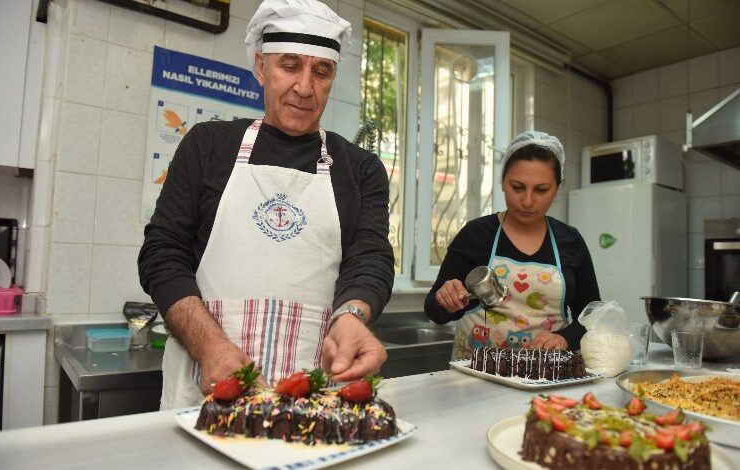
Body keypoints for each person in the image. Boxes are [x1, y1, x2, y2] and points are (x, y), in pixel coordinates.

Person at [138, 0, 394, 409]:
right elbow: (162, 254)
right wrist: (209, 345)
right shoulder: (207, 145)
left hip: (314, 394)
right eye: (290, 66)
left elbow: (371, 259)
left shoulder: (361, 169)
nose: (305, 87)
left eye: (321, 71)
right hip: (207, 386)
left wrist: (353, 315)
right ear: (261, 67)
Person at [424, 131, 600, 359]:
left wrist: (564, 337)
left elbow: (593, 315)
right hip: (474, 377)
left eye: (541, 190)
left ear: (558, 187)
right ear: (503, 182)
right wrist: (445, 301)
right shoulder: (476, 234)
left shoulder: (570, 241)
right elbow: (433, 311)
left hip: (545, 376)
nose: (527, 201)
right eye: (517, 187)